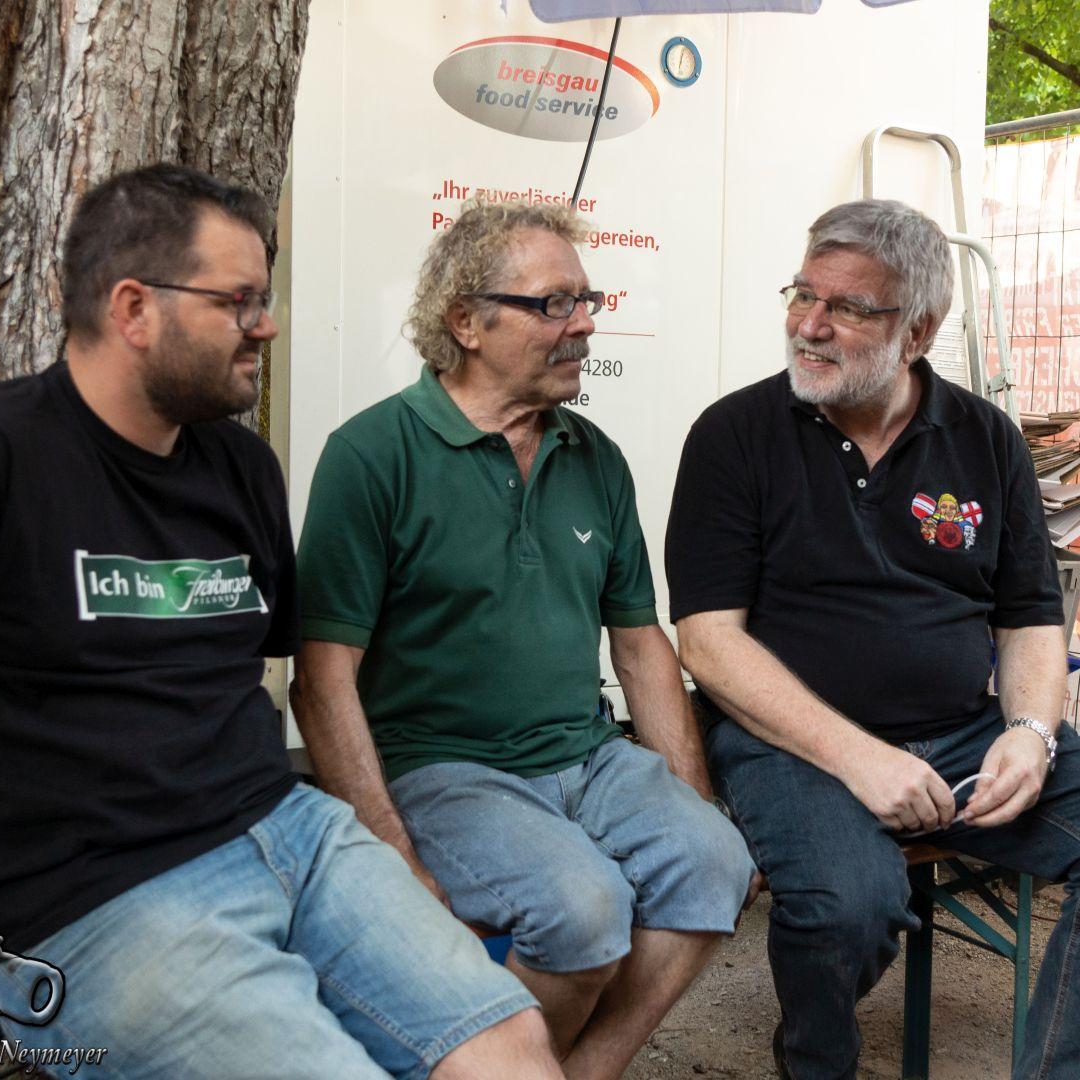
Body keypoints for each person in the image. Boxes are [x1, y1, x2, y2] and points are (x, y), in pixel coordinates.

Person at [0, 165, 559, 1079]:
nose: (266, 325)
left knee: (510, 1047)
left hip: (289, 835)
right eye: (239, 301)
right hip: (84, 905)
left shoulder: (240, 468)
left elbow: (252, 673)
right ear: (134, 308)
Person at [666, 198, 1080, 1080]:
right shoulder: (735, 435)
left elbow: (1030, 617)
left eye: (847, 308)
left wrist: (1030, 734)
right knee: (848, 904)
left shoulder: (985, 437)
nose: (809, 325)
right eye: (803, 295)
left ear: (917, 331)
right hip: (788, 744)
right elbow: (708, 643)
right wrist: (859, 759)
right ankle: (814, 1063)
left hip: (960, 734)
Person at [292, 198, 754, 1080]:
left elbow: (640, 645)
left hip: (587, 756)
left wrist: (692, 799)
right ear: (465, 322)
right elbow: (320, 681)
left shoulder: (594, 454)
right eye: (553, 304)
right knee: (584, 911)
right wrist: (392, 859)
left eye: (587, 301)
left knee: (716, 865)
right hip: (443, 767)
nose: (583, 324)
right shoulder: (373, 454)